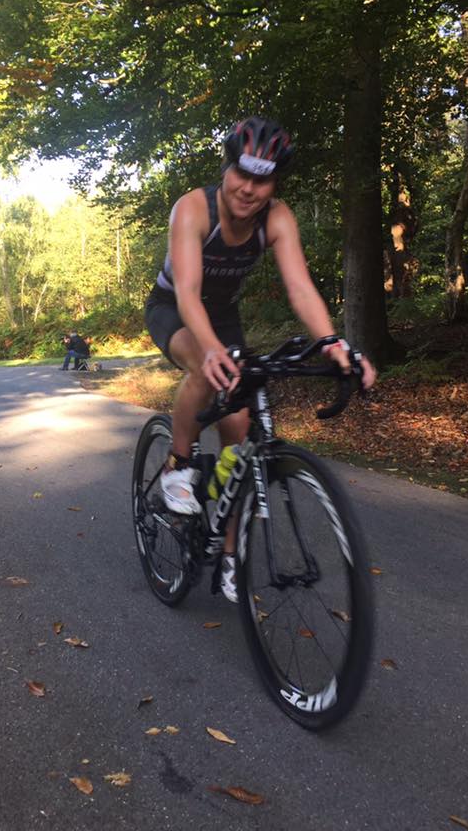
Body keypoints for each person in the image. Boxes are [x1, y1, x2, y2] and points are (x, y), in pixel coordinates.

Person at [145, 116, 377, 602]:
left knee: (240, 442)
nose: (249, 189)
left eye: (262, 180)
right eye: (242, 175)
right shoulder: (193, 209)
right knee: (206, 373)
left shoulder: (278, 218)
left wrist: (333, 343)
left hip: (224, 316)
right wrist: (209, 350)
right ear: (227, 168)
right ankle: (177, 465)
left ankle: (231, 554)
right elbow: (188, 293)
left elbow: (299, 287)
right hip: (174, 309)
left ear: (275, 183)